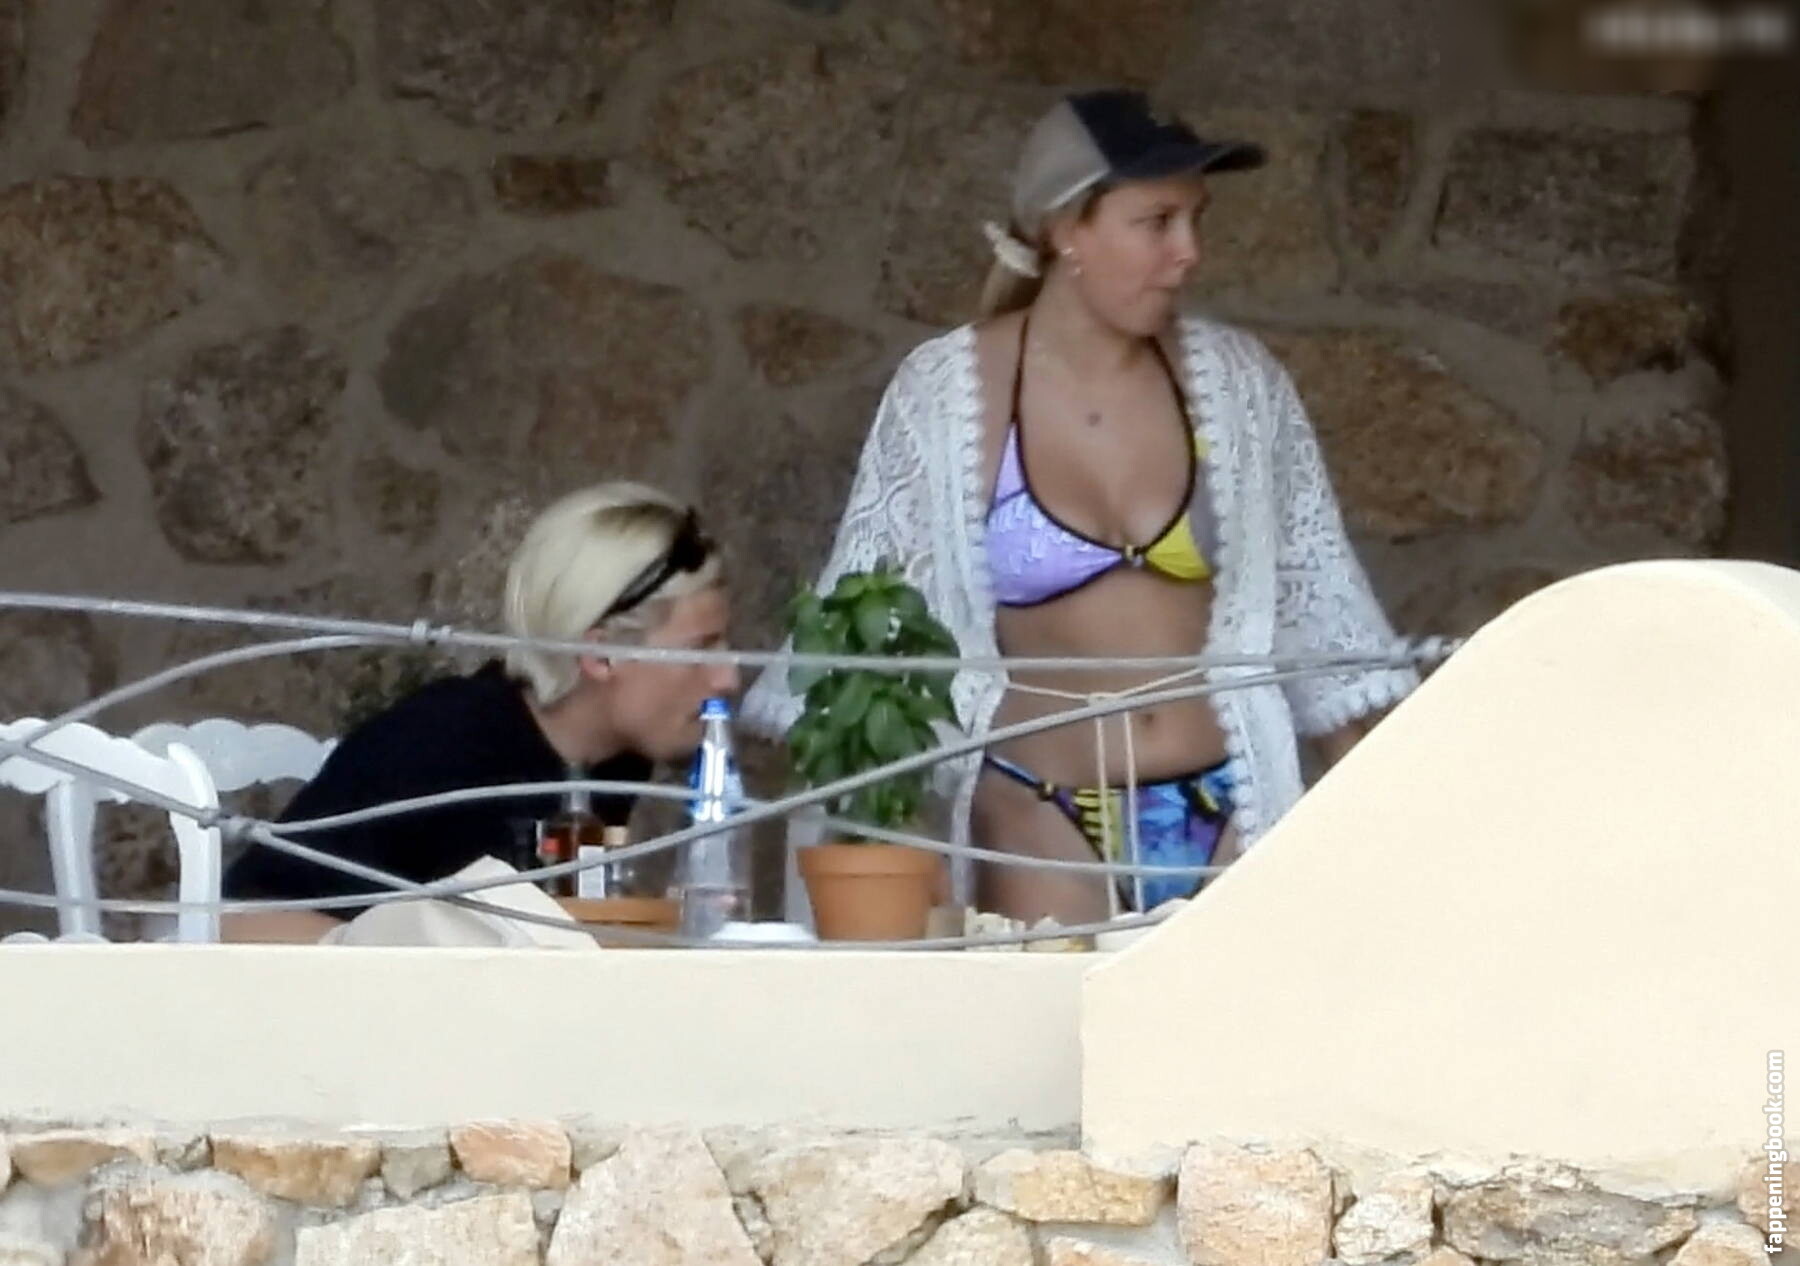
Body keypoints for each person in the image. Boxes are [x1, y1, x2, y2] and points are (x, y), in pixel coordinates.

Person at [742, 90, 1418, 924]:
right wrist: (887, 859)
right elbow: (861, 642)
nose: (1189, 252)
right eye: (1157, 221)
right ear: (1067, 228)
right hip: (1038, 812)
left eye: (1196, 219)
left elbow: (1321, 616)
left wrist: (1385, 852)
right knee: (1051, 1012)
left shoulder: (1242, 385)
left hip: (1231, 808)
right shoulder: (945, 395)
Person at [222, 482, 737, 942]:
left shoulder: (616, 759)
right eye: (701, 649)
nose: (728, 678)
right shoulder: (439, 745)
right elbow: (238, 920)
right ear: (601, 655)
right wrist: (388, 954)